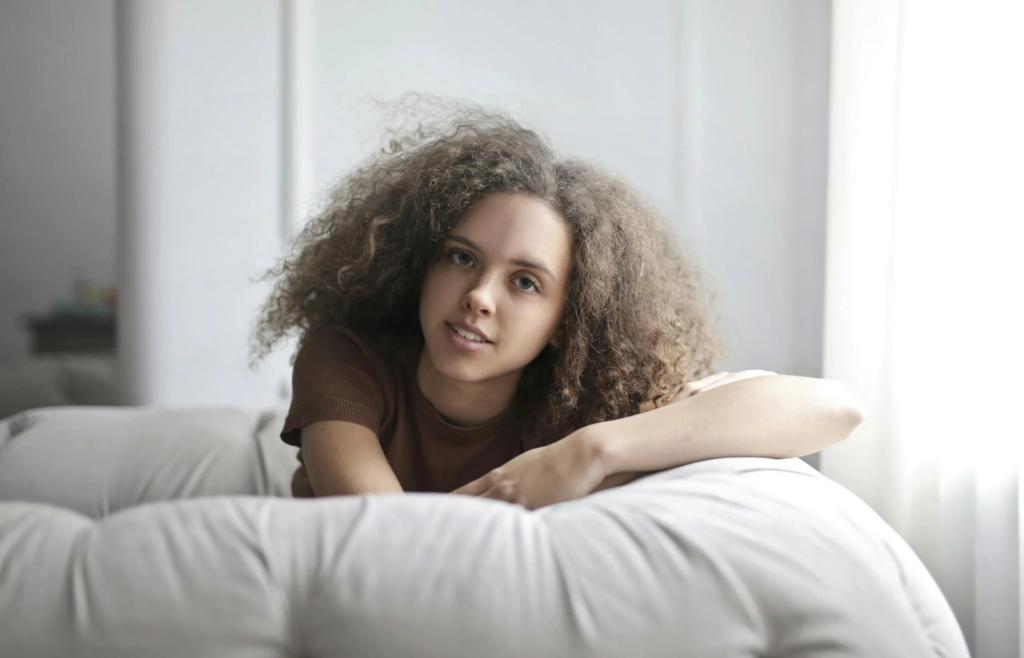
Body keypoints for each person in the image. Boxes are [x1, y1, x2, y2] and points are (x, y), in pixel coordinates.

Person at [250, 97, 864, 509]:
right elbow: (387, 540)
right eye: (461, 257)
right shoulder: (345, 358)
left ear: (566, 324)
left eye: (525, 282)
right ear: (421, 262)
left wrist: (592, 452)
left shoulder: (586, 407)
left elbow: (835, 409)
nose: (478, 298)